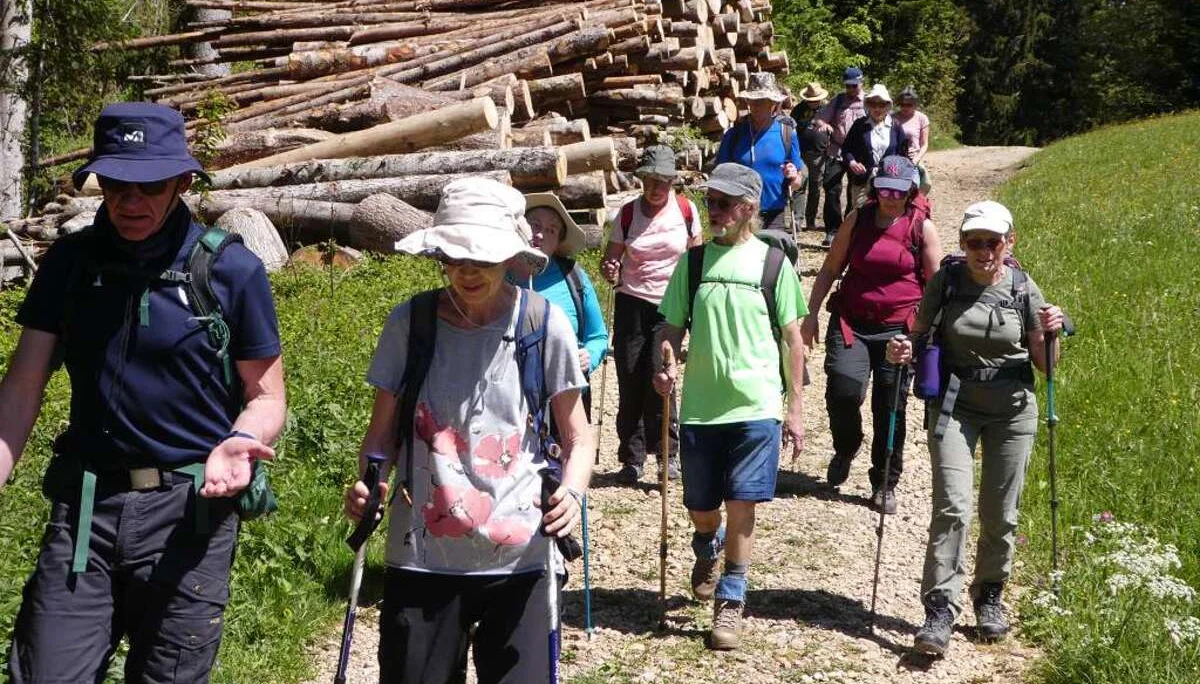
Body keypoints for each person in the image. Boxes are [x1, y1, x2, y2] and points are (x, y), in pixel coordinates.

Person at [1, 102, 286, 683]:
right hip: (86, 511)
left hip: (189, 515)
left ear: (183, 181)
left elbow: (266, 396)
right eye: (115, 184)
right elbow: (22, 387)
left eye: (149, 185)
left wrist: (240, 439)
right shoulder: (71, 264)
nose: (130, 201)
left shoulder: (229, 271)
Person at [344, 177, 593, 683]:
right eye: (455, 256)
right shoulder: (410, 324)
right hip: (421, 556)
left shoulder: (542, 324)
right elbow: (381, 435)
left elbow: (577, 435)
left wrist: (572, 491)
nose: (467, 271)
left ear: (511, 256)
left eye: (482, 257)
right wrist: (370, 483)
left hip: (522, 554)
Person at [885, 200, 1065, 655]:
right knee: (952, 507)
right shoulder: (946, 283)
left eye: (993, 241)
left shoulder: (1024, 289)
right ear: (963, 243)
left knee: (1001, 512)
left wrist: (1050, 334)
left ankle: (989, 594)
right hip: (955, 406)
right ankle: (940, 607)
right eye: (974, 242)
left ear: (1010, 242)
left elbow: (1047, 366)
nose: (984, 251)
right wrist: (903, 350)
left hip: (1014, 410)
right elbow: (917, 331)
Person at [653, 163, 808, 650]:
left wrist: (795, 407)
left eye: (722, 203)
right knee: (702, 506)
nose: (713, 211)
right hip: (700, 406)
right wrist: (666, 355)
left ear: (747, 209)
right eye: (709, 202)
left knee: (742, 503)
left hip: (756, 403)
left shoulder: (772, 264)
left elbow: (793, 340)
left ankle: (732, 598)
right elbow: (670, 325)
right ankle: (707, 544)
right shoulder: (693, 263)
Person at [801, 156, 942, 514]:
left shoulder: (921, 227)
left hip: (900, 328)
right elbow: (831, 267)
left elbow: (937, 286)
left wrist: (926, 335)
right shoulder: (858, 219)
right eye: (884, 189)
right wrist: (812, 313)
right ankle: (847, 445)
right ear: (875, 188)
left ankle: (884, 481)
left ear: (911, 190)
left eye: (899, 191)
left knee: (890, 405)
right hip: (852, 321)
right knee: (843, 389)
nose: (891, 197)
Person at [601, 145, 702, 485]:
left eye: (664, 181)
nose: (657, 188)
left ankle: (667, 455)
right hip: (631, 301)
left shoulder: (686, 211)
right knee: (630, 376)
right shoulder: (628, 214)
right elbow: (610, 258)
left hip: (670, 305)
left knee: (661, 377)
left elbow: (697, 259)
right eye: (650, 180)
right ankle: (631, 458)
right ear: (641, 180)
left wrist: (696, 302)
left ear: (673, 181)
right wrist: (611, 267)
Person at [511, 192, 609, 417]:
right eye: (534, 225)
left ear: (558, 242)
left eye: (551, 230)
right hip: (512, 398)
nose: (540, 234)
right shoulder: (498, 275)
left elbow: (598, 337)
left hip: (566, 394)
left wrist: (589, 356)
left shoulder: (572, 277)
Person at [714, 72, 804, 235]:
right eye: (752, 100)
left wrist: (793, 177)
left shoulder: (787, 134)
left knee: (771, 259)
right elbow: (720, 175)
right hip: (738, 213)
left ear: (773, 104)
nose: (755, 106)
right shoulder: (734, 135)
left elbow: (797, 181)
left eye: (761, 101)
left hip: (773, 213)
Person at [813, 66, 867, 248]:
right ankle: (832, 231)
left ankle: (850, 229)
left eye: (854, 85)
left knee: (856, 191)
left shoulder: (870, 101)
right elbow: (820, 118)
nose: (851, 89)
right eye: (848, 86)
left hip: (859, 154)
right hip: (836, 151)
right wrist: (824, 125)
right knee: (831, 189)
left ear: (861, 83)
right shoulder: (838, 101)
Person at [842, 84, 910, 213]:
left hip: (888, 181)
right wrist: (852, 162)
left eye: (882, 104)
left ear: (888, 106)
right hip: (862, 179)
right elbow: (846, 149)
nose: (877, 108)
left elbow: (903, 155)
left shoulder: (895, 126)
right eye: (873, 104)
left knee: (885, 215)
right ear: (868, 105)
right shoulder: (860, 125)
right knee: (859, 214)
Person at [790, 81, 831, 233]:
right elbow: (792, 129)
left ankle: (811, 220)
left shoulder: (827, 109)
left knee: (815, 187)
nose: (814, 103)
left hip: (819, 154)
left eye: (816, 100)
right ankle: (797, 220)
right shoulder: (798, 109)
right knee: (800, 184)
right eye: (811, 100)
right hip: (801, 153)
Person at [894, 85, 932, 194]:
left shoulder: (922, 118)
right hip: (896, 160)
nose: (905, 107)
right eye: (902, 104)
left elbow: (924, 144)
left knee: (917, 189)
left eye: (909, 105)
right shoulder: (892, 118)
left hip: (914, 159)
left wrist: (916, 159)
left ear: (915, 104)